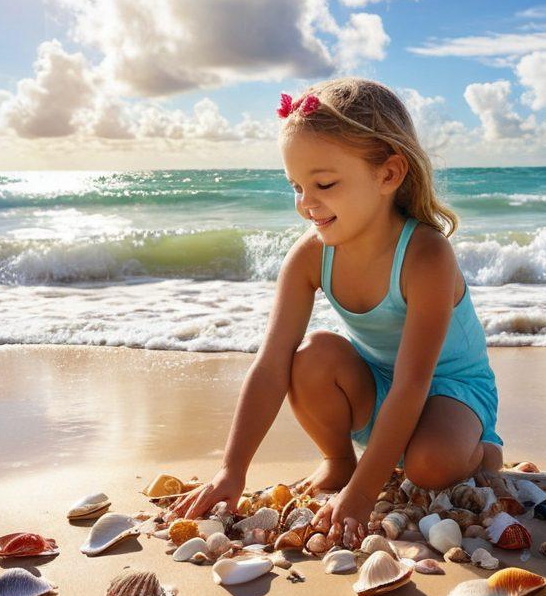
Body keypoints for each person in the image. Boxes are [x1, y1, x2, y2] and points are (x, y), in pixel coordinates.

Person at [169, 77, 504, 547]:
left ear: (388, 175)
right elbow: (270, 365)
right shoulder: (310, 256)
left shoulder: (426, 256)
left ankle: (484, 452)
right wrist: (232, 469)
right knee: (309, 355)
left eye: (324, 183)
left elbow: (414, 383)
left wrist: (365, 494)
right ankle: (339, 460)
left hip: (450, 392)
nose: (306, 203)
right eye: (296, 186)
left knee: (430, 468)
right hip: (376, 383)